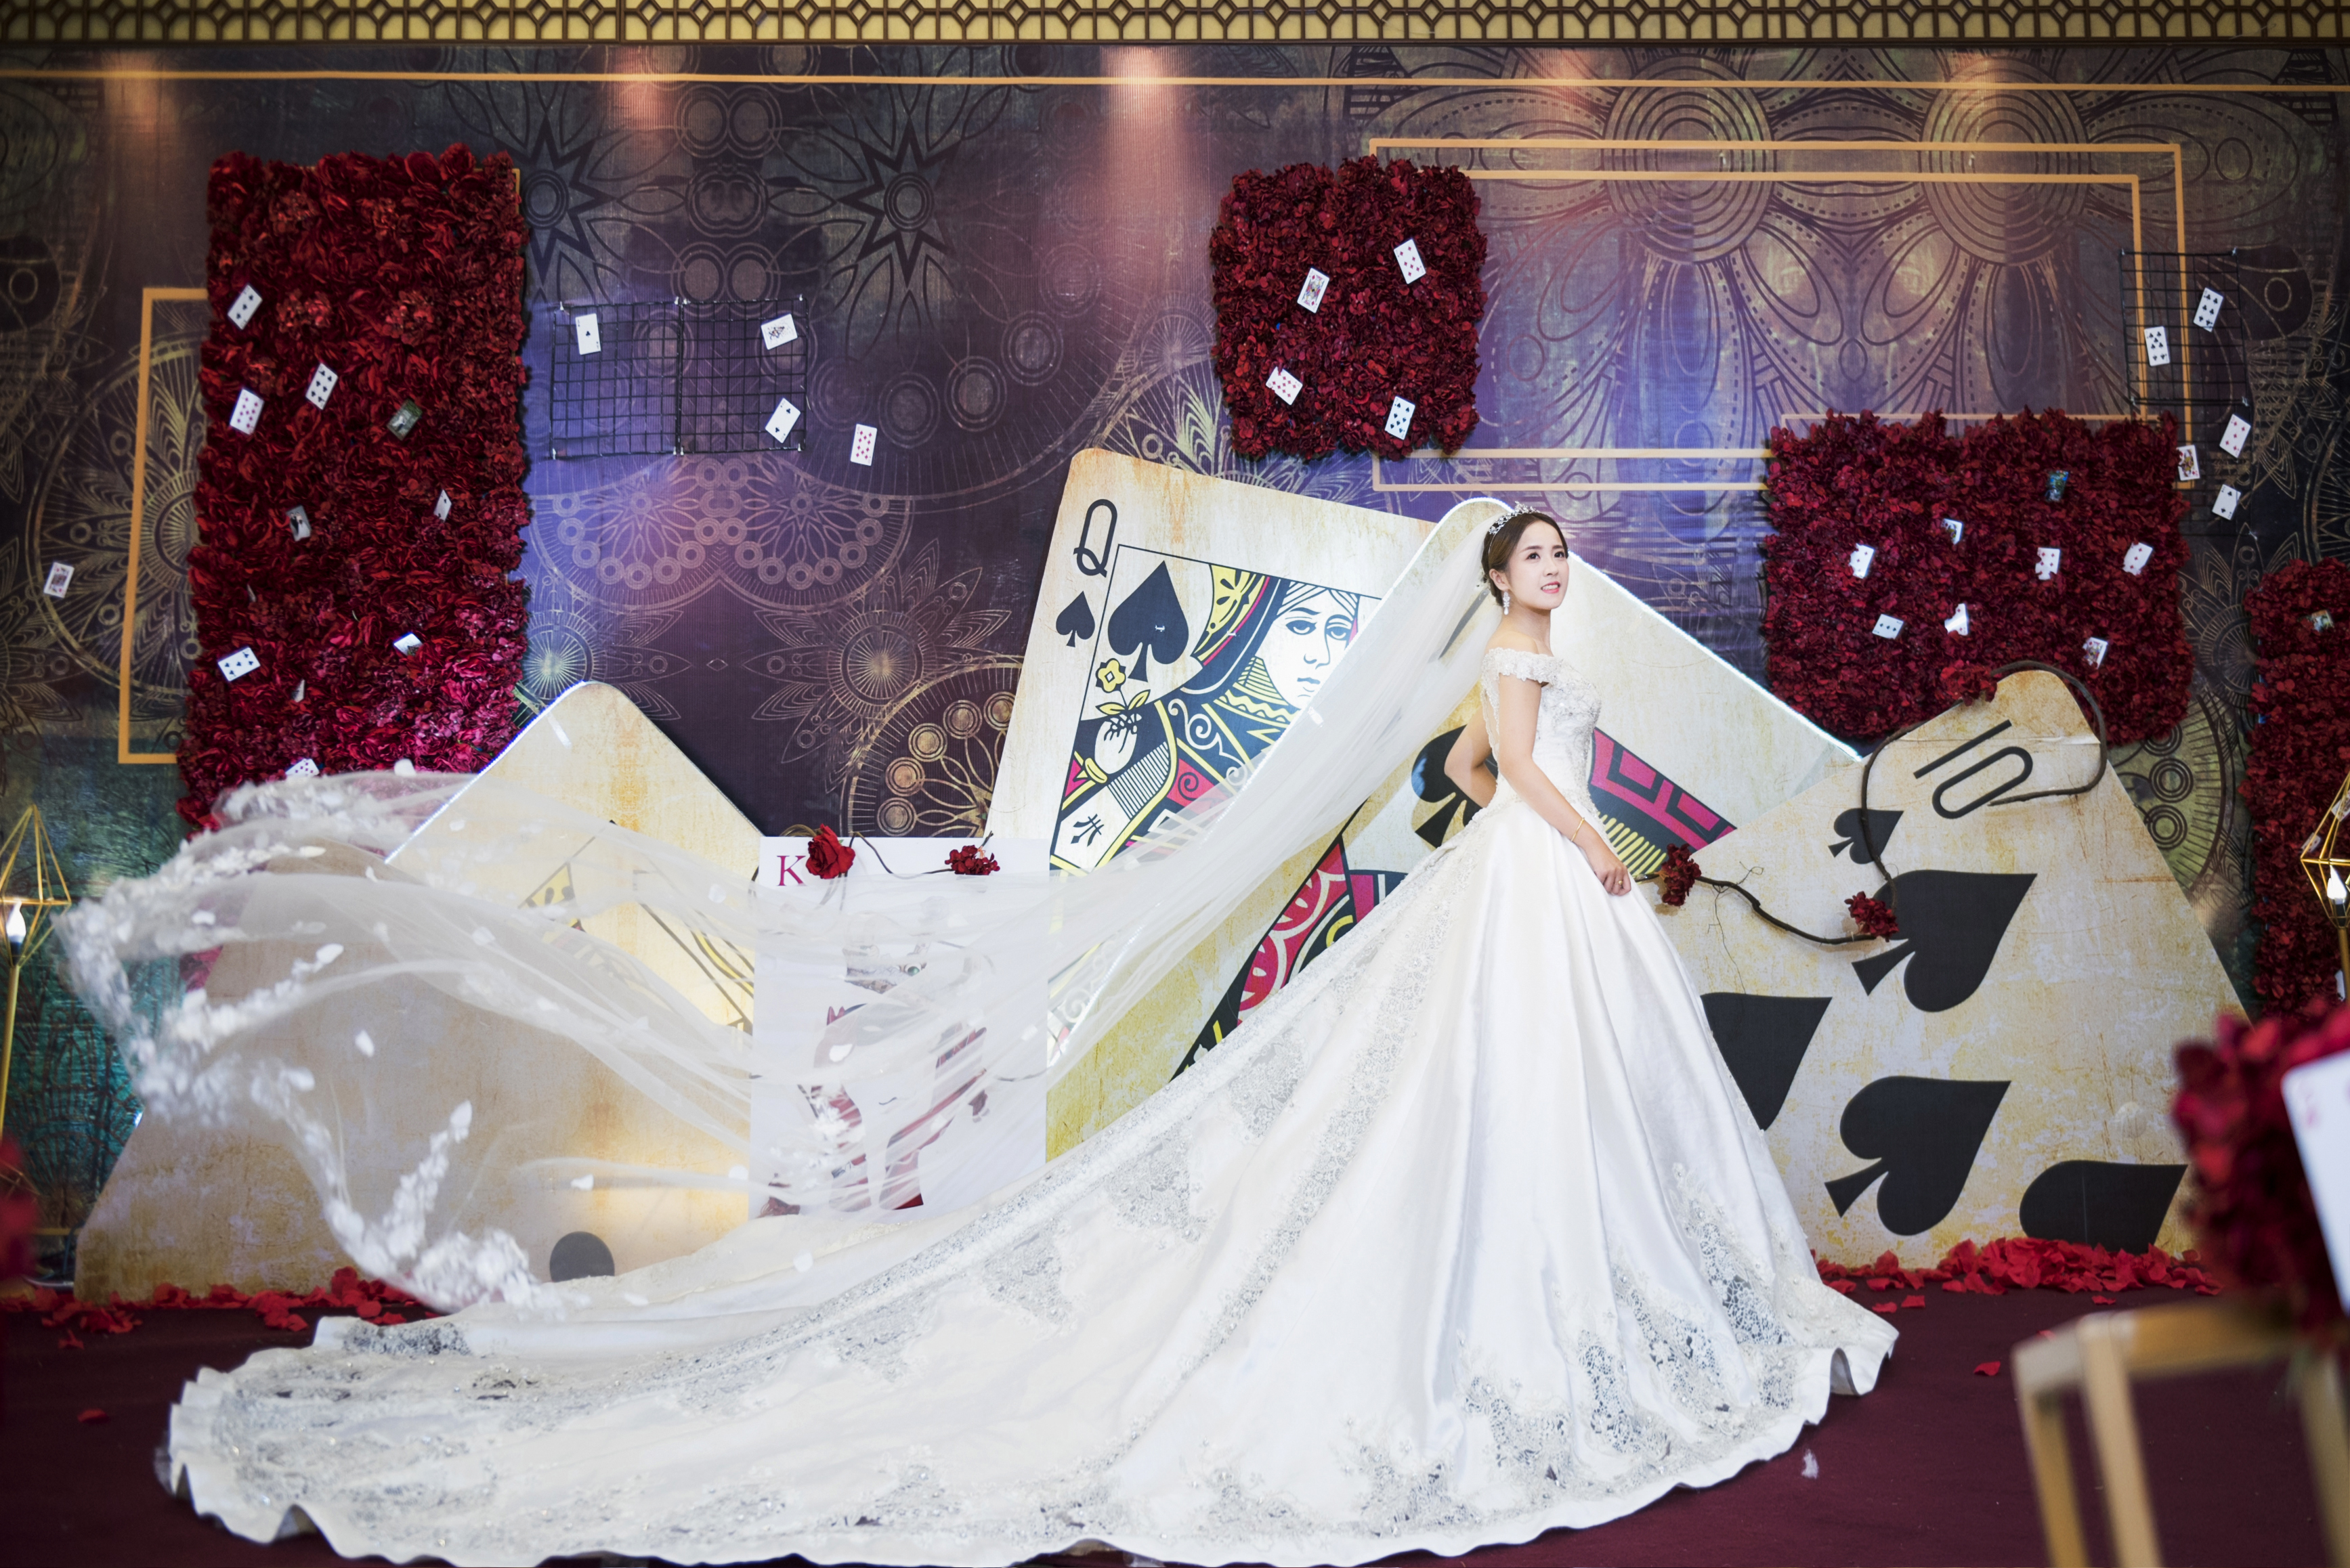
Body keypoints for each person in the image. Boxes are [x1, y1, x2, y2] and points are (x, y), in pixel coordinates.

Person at [123, 509, 1896, 1567]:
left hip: (1546, 885)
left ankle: (1564, 1269)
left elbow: (1496, 774)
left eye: (1556, 555)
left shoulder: (1534, 652)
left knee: (1539, 1096)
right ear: (1499, 578)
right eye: (1530, 556)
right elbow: (1508, 772)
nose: (1549, 571)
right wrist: (1597, 855)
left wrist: (1593, 852)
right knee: (1459, 1092)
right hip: (1541, 879)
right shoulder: (1507, 661)